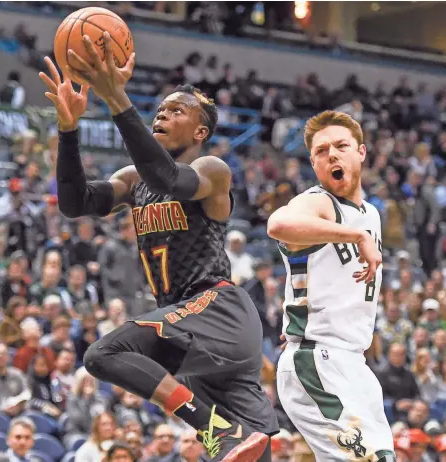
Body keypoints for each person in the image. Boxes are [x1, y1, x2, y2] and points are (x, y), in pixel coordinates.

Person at [39, 31, 278, 462]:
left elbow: (169, 178)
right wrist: (68, 130)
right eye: (159, 109)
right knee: (250, 452)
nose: (161, 115)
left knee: (105, 353)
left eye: (176, 110)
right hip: (189, 328)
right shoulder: (134, 181)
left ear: (201, 130)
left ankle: (209, 427)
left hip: (217, 309)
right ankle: (221, 432)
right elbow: (76, 203)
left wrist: (116, 99)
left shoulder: (212, 168)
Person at [267, 111, 394, 460]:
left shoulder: (371, 214)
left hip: (354, 364)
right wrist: (354, 235)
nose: (332, 155)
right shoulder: (318, 203)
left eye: (341, 146)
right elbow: (278, 224)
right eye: (322, 151)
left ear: (362, 152)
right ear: (313, 162)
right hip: (317, 362)